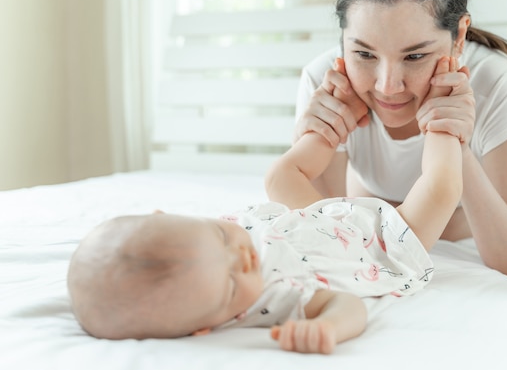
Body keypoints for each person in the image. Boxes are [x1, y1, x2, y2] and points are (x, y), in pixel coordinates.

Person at [66, 58, 462, 354]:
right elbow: (346, 306)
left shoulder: (193, 242)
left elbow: (264, 221)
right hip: (379, 245)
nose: (244, 256)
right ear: (203, 327)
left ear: (167, 216)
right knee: (441, 189)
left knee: (278, 177)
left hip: (317, 221)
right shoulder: (271, 301)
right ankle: (442, 115)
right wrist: (328, 329)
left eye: (222, 237)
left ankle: (343, 112)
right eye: (231, 283)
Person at [294, 0, 507, 278]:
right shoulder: (324, 83)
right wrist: (311, 143)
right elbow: (324, 238)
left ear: (459, 36)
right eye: (364, 53)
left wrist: (458, 144)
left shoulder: (497, 83)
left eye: (414, 55)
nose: (387, 86)